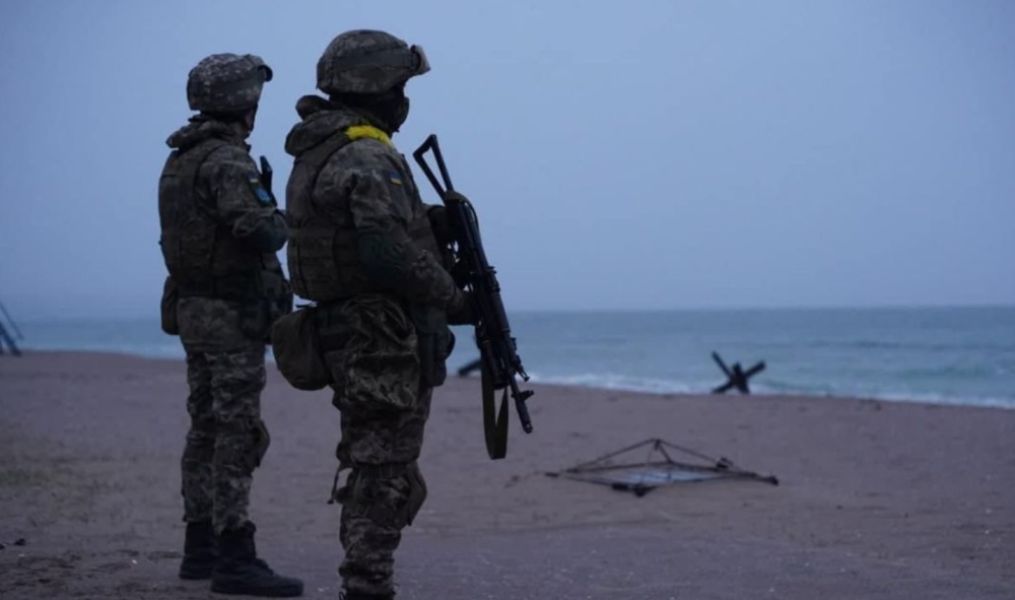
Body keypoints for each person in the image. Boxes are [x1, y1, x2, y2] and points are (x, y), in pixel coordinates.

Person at [281, 30, 471, 600]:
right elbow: (385, 253)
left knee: (372, 459)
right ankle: (367, 585)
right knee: (386, 467)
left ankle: (364, 579)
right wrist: (453, 299)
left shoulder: (323, 148)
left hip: (353, 331)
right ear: (377, 86)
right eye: (400, 87)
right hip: (378, 334)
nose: (403, 100)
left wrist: (429, 223)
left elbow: (364, 229)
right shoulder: (366, 153)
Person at [158, 52, 302, 598]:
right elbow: (261, 231)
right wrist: (282, 218)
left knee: (205, 429)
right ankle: (234, 554)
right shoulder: (225, 161)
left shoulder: (180, 160)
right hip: (231, 317)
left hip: (195, 311)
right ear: (245, 105)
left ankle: (200, 548)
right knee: (236, 434)